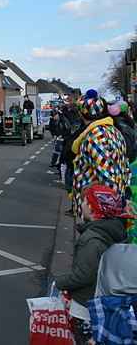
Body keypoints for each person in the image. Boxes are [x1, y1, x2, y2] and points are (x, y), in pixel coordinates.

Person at [55, 184, 129, 344]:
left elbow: (83, 276)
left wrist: (59, 282)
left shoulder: (91, 239)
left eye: (84, 201)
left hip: (85, 307)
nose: (81, 204)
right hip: (104, 303)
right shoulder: (114, 230)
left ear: (92, 207)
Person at [71, 90, 131, 222]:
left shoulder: (95, 137)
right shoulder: (114, 131)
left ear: (82, 114)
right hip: (106, 209)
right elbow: (125, 169)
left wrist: (105, 213)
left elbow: (108, 179)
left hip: (98, 213)